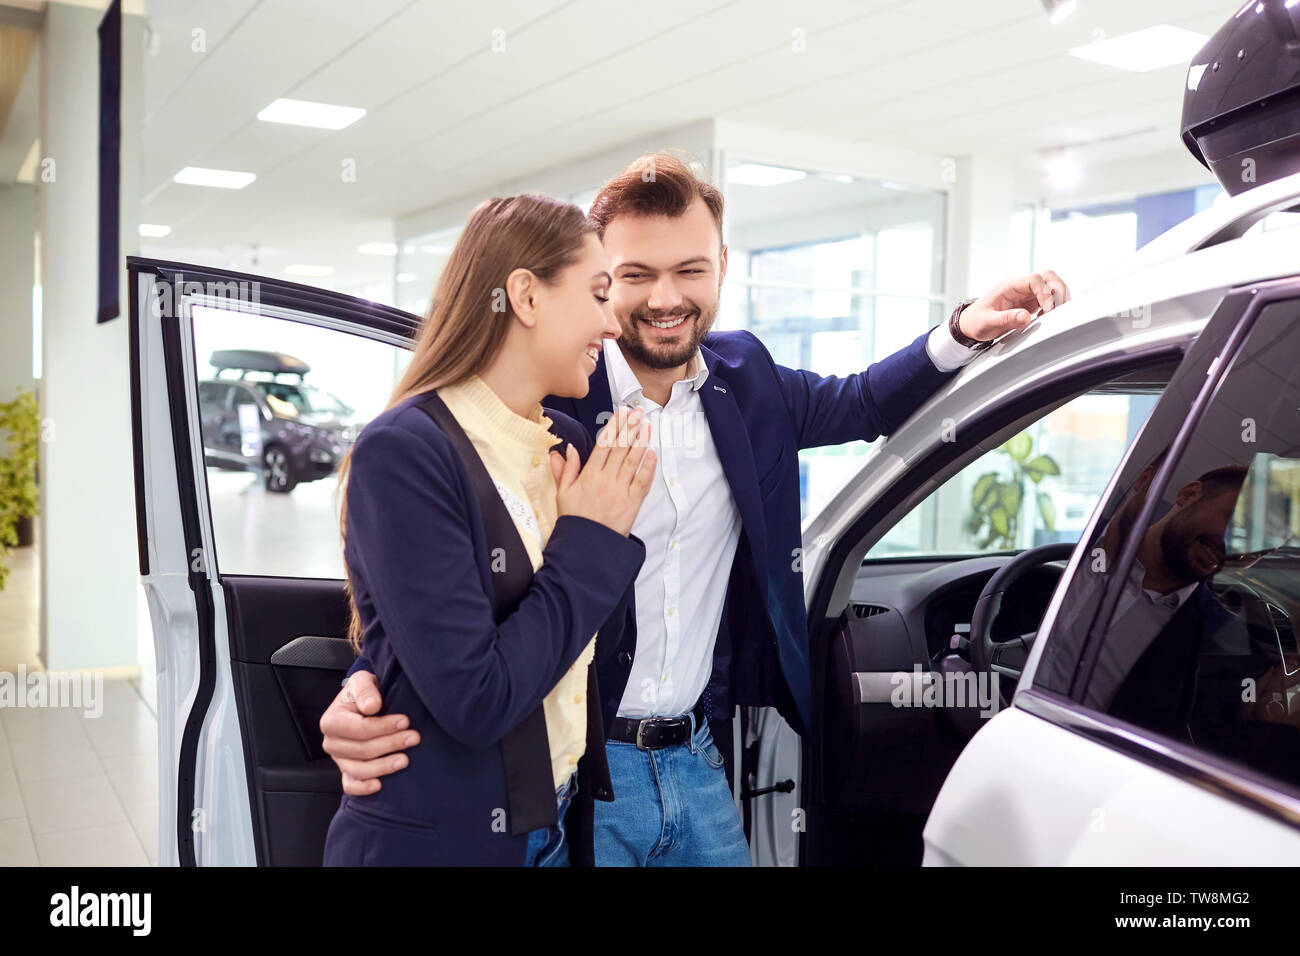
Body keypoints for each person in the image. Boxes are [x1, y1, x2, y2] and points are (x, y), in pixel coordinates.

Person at [322, 152, 1070, 866]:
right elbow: (442, 586)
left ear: (721, 270)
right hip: (582, 772)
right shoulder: (541, 403)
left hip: (700, 756)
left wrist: (963, 329)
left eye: (690, 270)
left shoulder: (748, 381)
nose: (666, 297)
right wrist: (368, 680)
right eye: (631, 276)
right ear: (600, 284)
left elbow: (865, 399)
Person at [321, 193, 656, 866]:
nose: (612, 325)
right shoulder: (408, 450)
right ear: (526, 298)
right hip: (451, 841)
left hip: (557, 820)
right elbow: (477, 699)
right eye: (596, 295)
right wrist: (591, 537)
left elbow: (577, 647)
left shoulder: (559, 438)